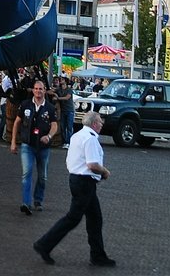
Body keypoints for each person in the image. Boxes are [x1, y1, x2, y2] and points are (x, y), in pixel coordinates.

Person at [32, 110, 116, 267]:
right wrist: (104, 171)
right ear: (94, 124)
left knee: (94, 218)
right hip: (85, 182)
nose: (102, 124)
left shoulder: (77, 136)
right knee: (74, 218)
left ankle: (97, 255)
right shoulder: (90, 139)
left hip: (78, 180)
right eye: (100, 121)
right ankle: (44, 244)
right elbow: (92, 164)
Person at [11, 78, 58, 213]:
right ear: (33, 90)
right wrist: (14, 142)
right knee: (27, 173)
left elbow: (54, 125)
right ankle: (26, 203)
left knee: (42, 176)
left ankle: (38, 200)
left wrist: (49, 136)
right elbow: (16, 122)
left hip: (44, 147)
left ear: (45, 91)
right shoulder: (25, 105)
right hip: (28, 145)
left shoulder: (49, 107)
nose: (38, 91)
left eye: (40, 89)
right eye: (36, 89)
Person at [56, 77, 74, 148]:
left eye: (62, 80)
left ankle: (68, 142)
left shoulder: (69, 89)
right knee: (62, 127)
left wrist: (57, 98)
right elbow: (51, 91)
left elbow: (67, 97)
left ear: (66, 81)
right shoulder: (59, 89)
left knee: (69, 127)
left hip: (69, 110)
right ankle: (64, 142)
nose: (61, 81)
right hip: (63, 110)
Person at [0, 71, 13, 142]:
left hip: (7, 102)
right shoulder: (5, 80)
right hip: (4, 103)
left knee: (6, 120)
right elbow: (4, 92)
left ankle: (3, 135)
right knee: (4, 120)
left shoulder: (10, 80)